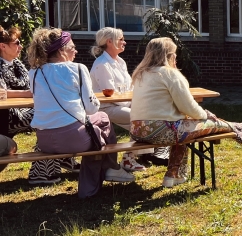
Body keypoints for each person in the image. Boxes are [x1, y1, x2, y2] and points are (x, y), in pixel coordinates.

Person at [129, 37, 242, 188]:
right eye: (174, 54)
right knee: (204, 123)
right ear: (169, 55)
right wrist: (205, 115)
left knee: (183, 127)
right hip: (161, 131)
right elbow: (188, 106)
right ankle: (241, 127)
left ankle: (173, 175)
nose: (176, 57)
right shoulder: (169, 74)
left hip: (138, 131)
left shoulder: (140, 74)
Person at [27, 28, 132, 197]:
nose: (76, 51)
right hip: (72, 140)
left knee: (95, 133)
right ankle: (110, 169)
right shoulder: (77, 68)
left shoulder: (34, 71)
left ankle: (107, 172)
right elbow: (91, 108)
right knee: (101, 124)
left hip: (44, 140)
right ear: (61, 51)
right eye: (72, 48)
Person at [89, 27, 169, 171]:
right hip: (105, 108)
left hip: (122, 104)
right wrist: (137, 105)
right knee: (141, 121)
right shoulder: (102, 65)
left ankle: (141, 154)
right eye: (121, 39)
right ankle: (129, 158)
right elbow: (111, 95)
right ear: (109, 42)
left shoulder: (120, 62)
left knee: (150, 117)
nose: (124, 42)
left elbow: (130, 88)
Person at [0, 26, 34, 175]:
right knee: (49, 117)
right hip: (8, 115)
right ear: (3, 46)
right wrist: (27, 94)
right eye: (17, 43)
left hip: (24, 109)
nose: (20, 47)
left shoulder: (18, 65)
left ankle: (51, 161)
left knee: (52, 115)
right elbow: (1, 93)